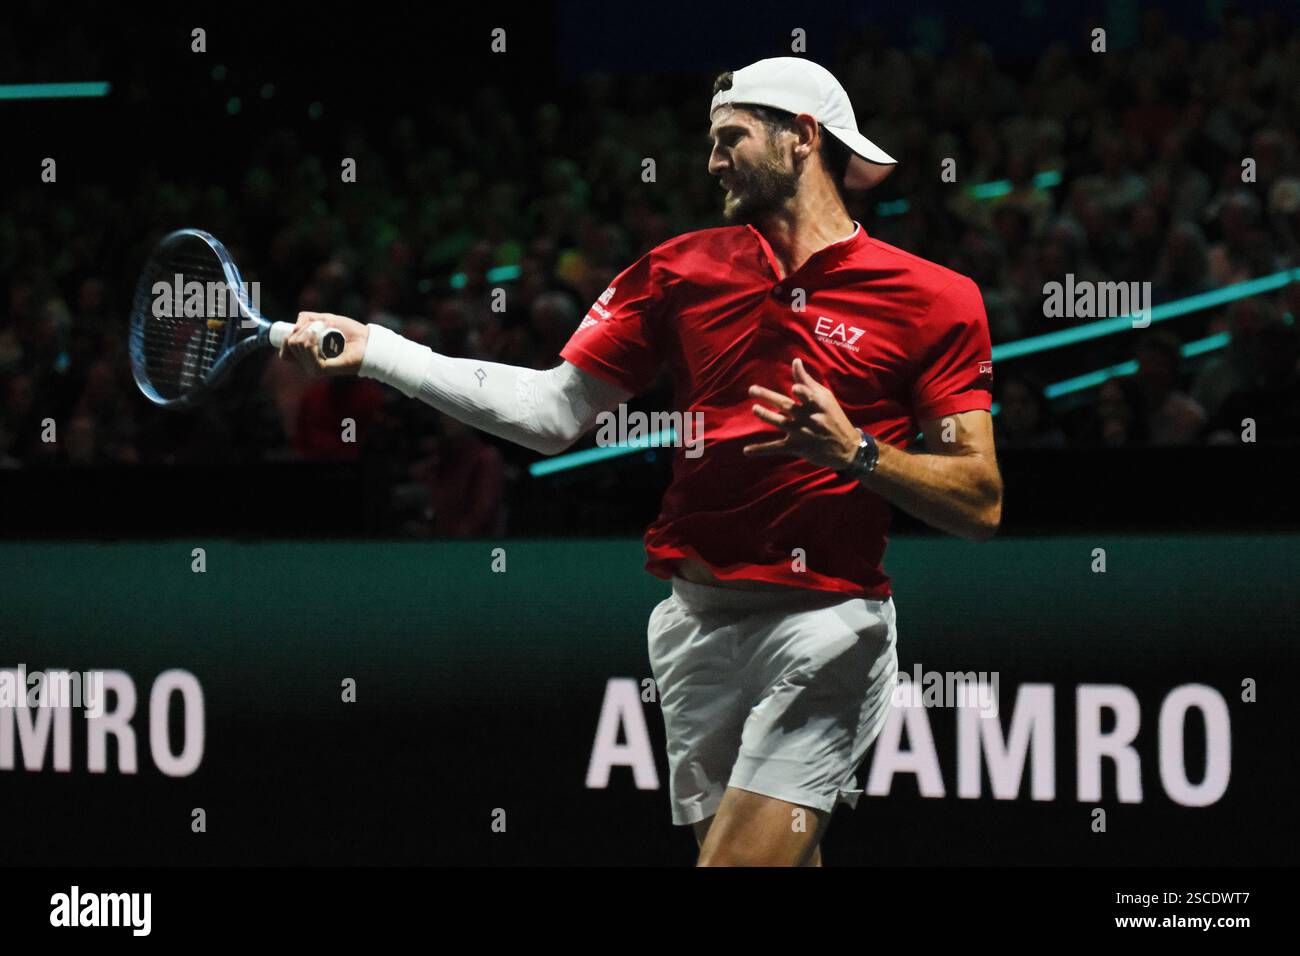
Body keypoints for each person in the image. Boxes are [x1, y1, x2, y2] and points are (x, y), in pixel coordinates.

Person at [280, 57, 1002, 866]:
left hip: (826, 626)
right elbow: (552, 414)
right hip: (693, 626)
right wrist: (380, 350)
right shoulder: (678, 271)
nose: (712, 161)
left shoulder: (934, 298)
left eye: (730, 138)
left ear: (801, 137)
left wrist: (859, 454)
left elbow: (978, 503)